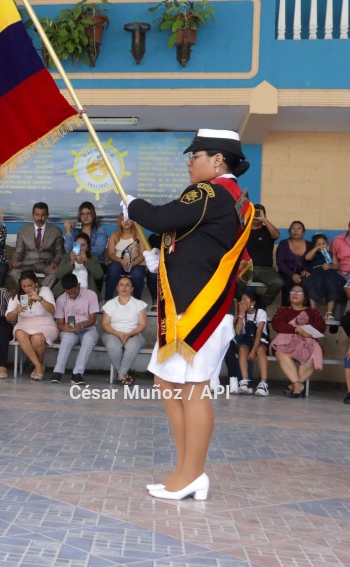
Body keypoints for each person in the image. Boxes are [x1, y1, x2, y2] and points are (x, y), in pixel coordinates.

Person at [126, 129, 255, 501]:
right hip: (190, 306)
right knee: (168, 384)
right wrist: (160, 259)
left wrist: (134, 206)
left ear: (218, 161)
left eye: (195, 155)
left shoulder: (211, 192)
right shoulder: (235, 200)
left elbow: (164, 218)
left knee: (194, 389)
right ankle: (185, 470)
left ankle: (194, 471)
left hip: (201, 312)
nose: (189, 161)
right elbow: (196, 244)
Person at [269, 284, 327, 398]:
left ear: (305, 297)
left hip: (307, 343)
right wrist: (296, 329)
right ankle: (298, 384)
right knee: (280, 354)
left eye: (299, 292)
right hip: (287, 343)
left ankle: (294, 385)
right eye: (292, 291)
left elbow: (321, 326)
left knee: (312, 356)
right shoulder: (283, 310)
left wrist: (305, 328)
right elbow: (277, 325)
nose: (295, 294)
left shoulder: (312, 311)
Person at [6, 270, 58, 381]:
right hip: (24, 325)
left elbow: (52, 310)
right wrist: (16, 311)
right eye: (24, 286)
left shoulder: (45, 290)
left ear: (36, 283)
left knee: (37, 338)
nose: (27, 288)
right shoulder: (16, 295)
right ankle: (39, 366)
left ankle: (37, 365)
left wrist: (39, 299)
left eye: (30, 285)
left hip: (46, 325)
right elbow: (8, 317)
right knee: (19, 333)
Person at [49, 273, 100, 385]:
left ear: (78, 285)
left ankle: (77, 373)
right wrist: (65, 328)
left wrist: (81, 325)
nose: (71, 295)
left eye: (74, 292)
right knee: (66, 338)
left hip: (88, 328)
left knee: (89, 340)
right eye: (68, 293)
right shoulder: (61, 300)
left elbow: (92, 319)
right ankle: (58, 372)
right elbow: (60, 323)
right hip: (70, 330)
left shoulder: (91, 295)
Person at [101, 274, 147, 386]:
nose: (124, 287)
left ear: (132, 289)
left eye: (127, 285)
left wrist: (129, 334)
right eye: (121, 285)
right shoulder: (110, 304)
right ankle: (123, 375)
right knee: (113, 345)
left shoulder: (139, 304)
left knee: (132, 346)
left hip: (134, 334)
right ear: (117, 288)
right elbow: (105, 324)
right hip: (112, 333)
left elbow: (142, 325)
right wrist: (118, 334)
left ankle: (121, 375)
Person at [234, 204, 283, 308]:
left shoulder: (268, 230)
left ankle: (260, 305)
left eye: (258, 213)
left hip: (266, 269)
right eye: (253, 213)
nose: (256, 216)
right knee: (237, 282)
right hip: (246, 267)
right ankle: (243, 304)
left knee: (278, 283)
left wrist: (264, 219)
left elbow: (276, 235)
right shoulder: (244, 230)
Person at [9, 202, 64, 290]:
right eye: (37, 215)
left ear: (47, 215)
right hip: (28, 263)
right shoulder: (23, 231)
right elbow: (18, 251)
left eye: (43, 215)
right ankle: (27, 292)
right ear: (32, 215)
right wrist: (15, 260)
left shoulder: (56, 231)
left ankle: (40, 292)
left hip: (47, 263)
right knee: (14, 273)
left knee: (56, 272)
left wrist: (55, 261)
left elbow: (59, 251)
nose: (40, 218)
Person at [63, 201, 108, 292]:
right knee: (66, 268)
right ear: (79, 216)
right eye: (82, 214)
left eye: (88, 213)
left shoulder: (100, 229)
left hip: (96, 260)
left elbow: (98, 250)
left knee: (96, 270)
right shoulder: (75, 229)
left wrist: (82, 255)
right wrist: (68, 232)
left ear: (93, 215)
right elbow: (68, 249)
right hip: (76, 260)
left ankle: (94, 297)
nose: (85, 216)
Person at [301, 233, 346, 323]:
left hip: (329, 274)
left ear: (327, 244)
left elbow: (337, 266)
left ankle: (329, 312)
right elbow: (307, 258)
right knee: (311, 286)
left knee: (333, 286)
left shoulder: (330, 254)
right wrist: (316, 249)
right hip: (315, 274)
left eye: (324, 243)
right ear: (314, 245)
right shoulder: (313, 253)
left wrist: (330, 266)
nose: (321, 246)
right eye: (318, 244)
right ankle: (313, 310)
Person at [104, 212, 148, 301]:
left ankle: (137, 300)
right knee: (113, 268)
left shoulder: (139, 234)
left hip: (136, 264)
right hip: (119, 263)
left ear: (133, 221)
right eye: (123, 219)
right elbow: (111, 254)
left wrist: (132, 264)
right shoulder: (114, 235)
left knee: (137, 274)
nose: (126, 222)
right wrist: (121, 261)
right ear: (120, 222)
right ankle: (108, 299)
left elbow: (143, 254)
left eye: (128, 219)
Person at [234, 290, 270, 396]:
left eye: (245, 299)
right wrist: (241, 313)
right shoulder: (243, 314)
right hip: (247, 339)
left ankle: (263, 383)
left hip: (260, 339)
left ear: (253, 303)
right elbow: (238, 331)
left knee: (260, 350)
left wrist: (253, 351)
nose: (242, 302)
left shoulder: (261, 313)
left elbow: (259, 333)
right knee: (242, 349)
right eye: (241, 299)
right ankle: (245, 382)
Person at [52, 232, 103, 297]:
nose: (80, 248)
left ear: (88, 248)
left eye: (83, 245)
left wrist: (86, 260)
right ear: (74, 246)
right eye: (78, 245)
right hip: (67, 293)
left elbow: (99, 275)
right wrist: (71, 262)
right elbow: (58, 275)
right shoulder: (66, 257)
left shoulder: (93, 259)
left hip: (87, 293)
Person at [276, 221, 312, 304]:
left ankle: (306, 311)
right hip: (286, 273)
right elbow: (280, 262)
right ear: (289, 231)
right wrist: (291, 274)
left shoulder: (310, 245)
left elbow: (313, 261)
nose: (295, 230)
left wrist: (307, 270)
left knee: (307, 283)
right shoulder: (283, 243)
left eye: (299, 228)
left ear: (304, 232)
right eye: (293, 228)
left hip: (304, 273)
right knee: (288, 284)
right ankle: (287, 310)